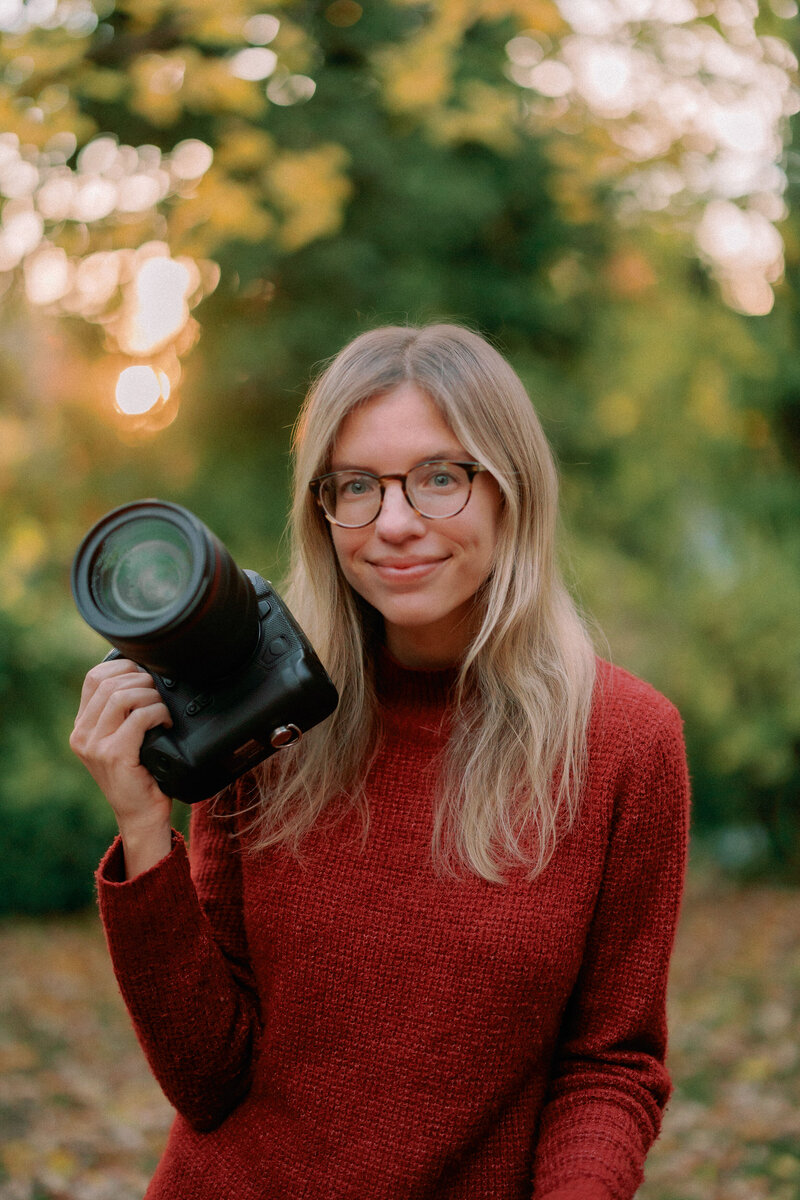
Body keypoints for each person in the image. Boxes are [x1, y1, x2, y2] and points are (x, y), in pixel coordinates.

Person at [70, 323, 690, 1200]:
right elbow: (208, 1080)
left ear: (512, 490)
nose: (393, 524)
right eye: (356, 486)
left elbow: (608, 1065)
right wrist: (143, 827)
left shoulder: (628, 742)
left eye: (440, 477)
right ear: (321, 507)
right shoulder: (268, 719)